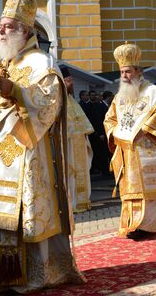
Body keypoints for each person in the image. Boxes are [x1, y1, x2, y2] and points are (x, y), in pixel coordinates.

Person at [0, 0, 84, 293]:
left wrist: (16, 91)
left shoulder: (42, 64)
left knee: (26, 214)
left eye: (8, 26)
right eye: (1, 25)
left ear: (25, 31)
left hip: (27, 155)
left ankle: (34, 275)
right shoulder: (3, 66)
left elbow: (48, 105)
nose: (1, 30)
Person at [104, 42, 156, 239]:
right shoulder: (120, 96)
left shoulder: (153, 93)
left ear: (138, 71)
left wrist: (144, 130)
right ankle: (133, 224)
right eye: (121, 72)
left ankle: (146, 226)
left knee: (149, 191)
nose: (124, 77)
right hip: (127, 150)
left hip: (148, 148)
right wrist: (114, 133)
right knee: (131, 191)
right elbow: (109, 118)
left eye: (127, 72)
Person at [62, 65, 94, 213]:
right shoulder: (58, 99)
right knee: (70, 174)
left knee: (81, 173)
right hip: (68, 144)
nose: (71, 83)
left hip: (79, 142)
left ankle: (82, 201)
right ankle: (71, 203)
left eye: (71, 80)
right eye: (68, 80)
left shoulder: (70, 99)